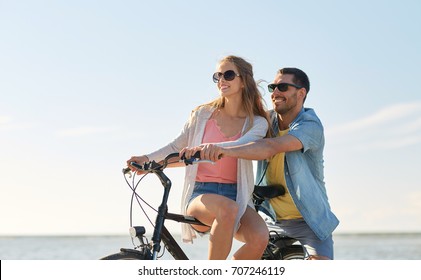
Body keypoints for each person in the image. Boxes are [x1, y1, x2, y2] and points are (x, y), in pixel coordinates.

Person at [184, 67, 340, 260]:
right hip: (269, 217)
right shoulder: (265, 121)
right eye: (273, 87)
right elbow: (236, 128)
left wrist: (223, 150)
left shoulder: (310, 126)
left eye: (282, 87)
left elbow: (270, 147)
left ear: (301, 93)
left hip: (310, 221)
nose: (275, 93)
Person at [127, 55, 271, 260]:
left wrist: (210, 147)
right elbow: (177, 146)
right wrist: (147, 158)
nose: (222, 80)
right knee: (227, 209)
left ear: (244, 81)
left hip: (237, 194)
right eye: (217, 76)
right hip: (202, 195)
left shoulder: (256, 122)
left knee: (259, 237)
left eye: (228, 74)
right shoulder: (203, 115)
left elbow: (244, 146)